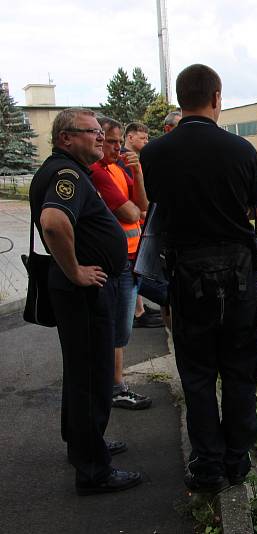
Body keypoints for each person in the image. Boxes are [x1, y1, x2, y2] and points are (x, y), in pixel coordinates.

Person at [141, 64, 257, 492]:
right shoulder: (241, 150)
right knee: (239, 366)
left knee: (196, 373)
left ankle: (208, 464)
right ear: (217, 97)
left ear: (181, 99)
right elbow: (254, 209)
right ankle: (237, 461)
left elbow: (158, 204)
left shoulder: (153, 153)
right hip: (239, 276)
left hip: (186, 275)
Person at [29, 108, 141, 495]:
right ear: (65, 139)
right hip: (83, 290)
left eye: (99, 132)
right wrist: (76, 270)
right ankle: (94, 470)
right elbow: (54, 222)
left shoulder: (70, 170)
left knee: (82, 373)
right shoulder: (67, 175)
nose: (100, 137)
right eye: (90, 132)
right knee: (91, 376)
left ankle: (83, 442)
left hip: (81, 289)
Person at [89, 117, 153, 410]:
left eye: (117, 142)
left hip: (132, 257)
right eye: (110, 142)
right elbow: (131, 213)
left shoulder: (117, 169)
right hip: (118, 261)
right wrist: (137, 207)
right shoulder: (98, 172)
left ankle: (114, 385)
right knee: (116, 328)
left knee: (121, 329)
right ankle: (114, 387)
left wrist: (137, 173)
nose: (116, 148)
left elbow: (144, 205)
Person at [121, 122, 166, 329]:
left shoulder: (135, 161)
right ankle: (138, 313)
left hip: (136, 229)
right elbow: (133, 201)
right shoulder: (123, 162)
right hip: (130, 233)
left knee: (136, 275)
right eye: (142, 138)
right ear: (129, 137)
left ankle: (138, 310)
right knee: (139, 274)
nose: (146, 142)